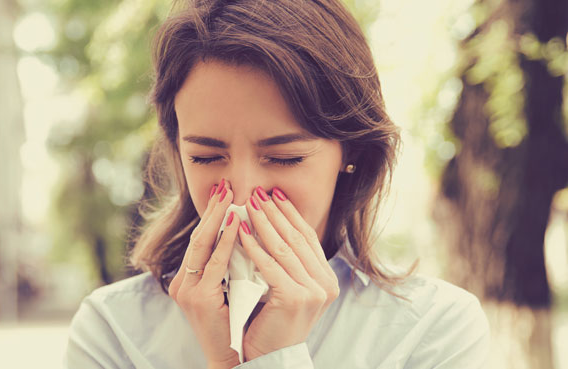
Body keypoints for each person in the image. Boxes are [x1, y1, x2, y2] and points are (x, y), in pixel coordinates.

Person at [64, 0, 490, 368]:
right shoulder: (113, 331)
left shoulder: (433, 329)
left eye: (285, 158)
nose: (244, 194)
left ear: (352, 156)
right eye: (206, 157)